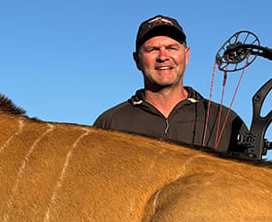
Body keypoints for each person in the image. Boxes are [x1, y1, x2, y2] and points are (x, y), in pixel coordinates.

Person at [94, 15, 247, 153]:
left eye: (171, 48)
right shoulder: (110, 123)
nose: (163, 57)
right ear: (137, 60)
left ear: (186, 56)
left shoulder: (226, 121)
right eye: (152, 50)